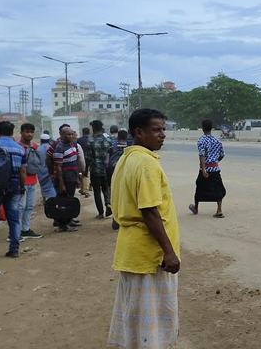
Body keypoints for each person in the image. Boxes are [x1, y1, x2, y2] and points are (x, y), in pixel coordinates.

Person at [108, 109, 180, 349]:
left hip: (132, 251)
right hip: (149, 255)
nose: (162, 135)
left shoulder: (127, 158)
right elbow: (150, 211)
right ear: (139, 132)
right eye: (156, 130)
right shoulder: (145, 163)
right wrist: (168, 252)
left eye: (163, 130)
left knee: (135, 318)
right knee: (152, 322)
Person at [0, 121, 27, 259]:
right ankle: (14, 249)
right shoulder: (20, 148)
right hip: (13, 188)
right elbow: (23, 171)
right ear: (13, 132)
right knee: (13, 219)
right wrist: (21, 187)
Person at [188, 119, 226, 218]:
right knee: (218, 188)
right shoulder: (217, 141)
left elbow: (202, 155)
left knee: (200, 188)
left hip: (205, 170)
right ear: (211, 128)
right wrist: (215, 162)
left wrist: (204, 169)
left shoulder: (201, 140)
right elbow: (222, 155)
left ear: (203, 128)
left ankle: (196, 208)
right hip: (215, 169)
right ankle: (219, 209)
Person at [52, 126, 83, 232]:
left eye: (71, 134)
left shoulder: (74, 145)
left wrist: (78, 177)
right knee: (64, 202)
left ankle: (69, 221)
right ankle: (62, 224)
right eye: (68, 134)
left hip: (72, 178)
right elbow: (59, 167)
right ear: (62, 135)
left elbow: (76, 161)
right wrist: (61, 183)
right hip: (65, 178)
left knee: (70, 200)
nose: (70, 136)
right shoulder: (59, 148)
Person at [18, 123, 43, 239]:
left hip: (33, 180)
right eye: (27, 132)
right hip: (20, 183)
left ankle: (25, 229)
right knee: (19, 207)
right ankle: (14, 232)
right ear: (21, 132)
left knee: (29, 206)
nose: (29, 134)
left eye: (31, 132)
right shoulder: (17, 147)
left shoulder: (34, 146)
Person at [87, 120, 112, 219]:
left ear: (93, 129)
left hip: (95, 169)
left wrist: (85, 170)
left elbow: (88, 157)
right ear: (102, 128)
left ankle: (101, 212)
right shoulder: (108, 140)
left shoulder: (90, 141)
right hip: (106, 169)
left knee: (97, 191)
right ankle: (108, 203)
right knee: (106, 188)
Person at [36, 134, 57, 202]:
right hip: (49, 169)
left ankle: (44, 199)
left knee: (43, 185)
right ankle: (52, 199)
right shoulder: (51, 148)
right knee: (51, 184)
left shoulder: (38, 148)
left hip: (40, 169)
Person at [77, 128, 91, 198]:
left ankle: (82, 189)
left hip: (80, 159)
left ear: (82, 132)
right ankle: (86, 190)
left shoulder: (79, 140)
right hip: (89, 159)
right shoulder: (90, 140)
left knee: (81, 174)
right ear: (89, 132)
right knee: (86, 175)